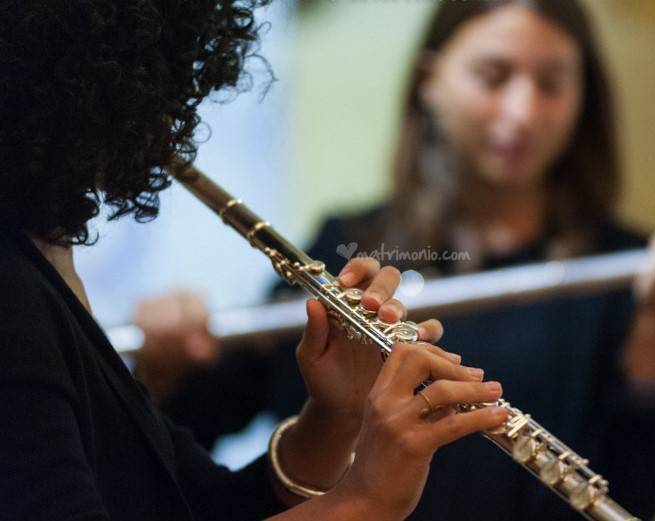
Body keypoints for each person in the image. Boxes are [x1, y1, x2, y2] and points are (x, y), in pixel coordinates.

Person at [135, 1, 655, 520]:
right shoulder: (346, 245)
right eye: (493, 76)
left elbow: (638, 491)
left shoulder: (624, 266)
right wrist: (166, 370)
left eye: (551, 84)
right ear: (431, 79)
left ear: (583, 99)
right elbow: (202, 431)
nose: (521, 112)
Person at [0, 2, 511, 520]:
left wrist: (333, 420)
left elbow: (196, 504)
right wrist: (366, 500)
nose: (170, 113)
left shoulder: (41, 260)